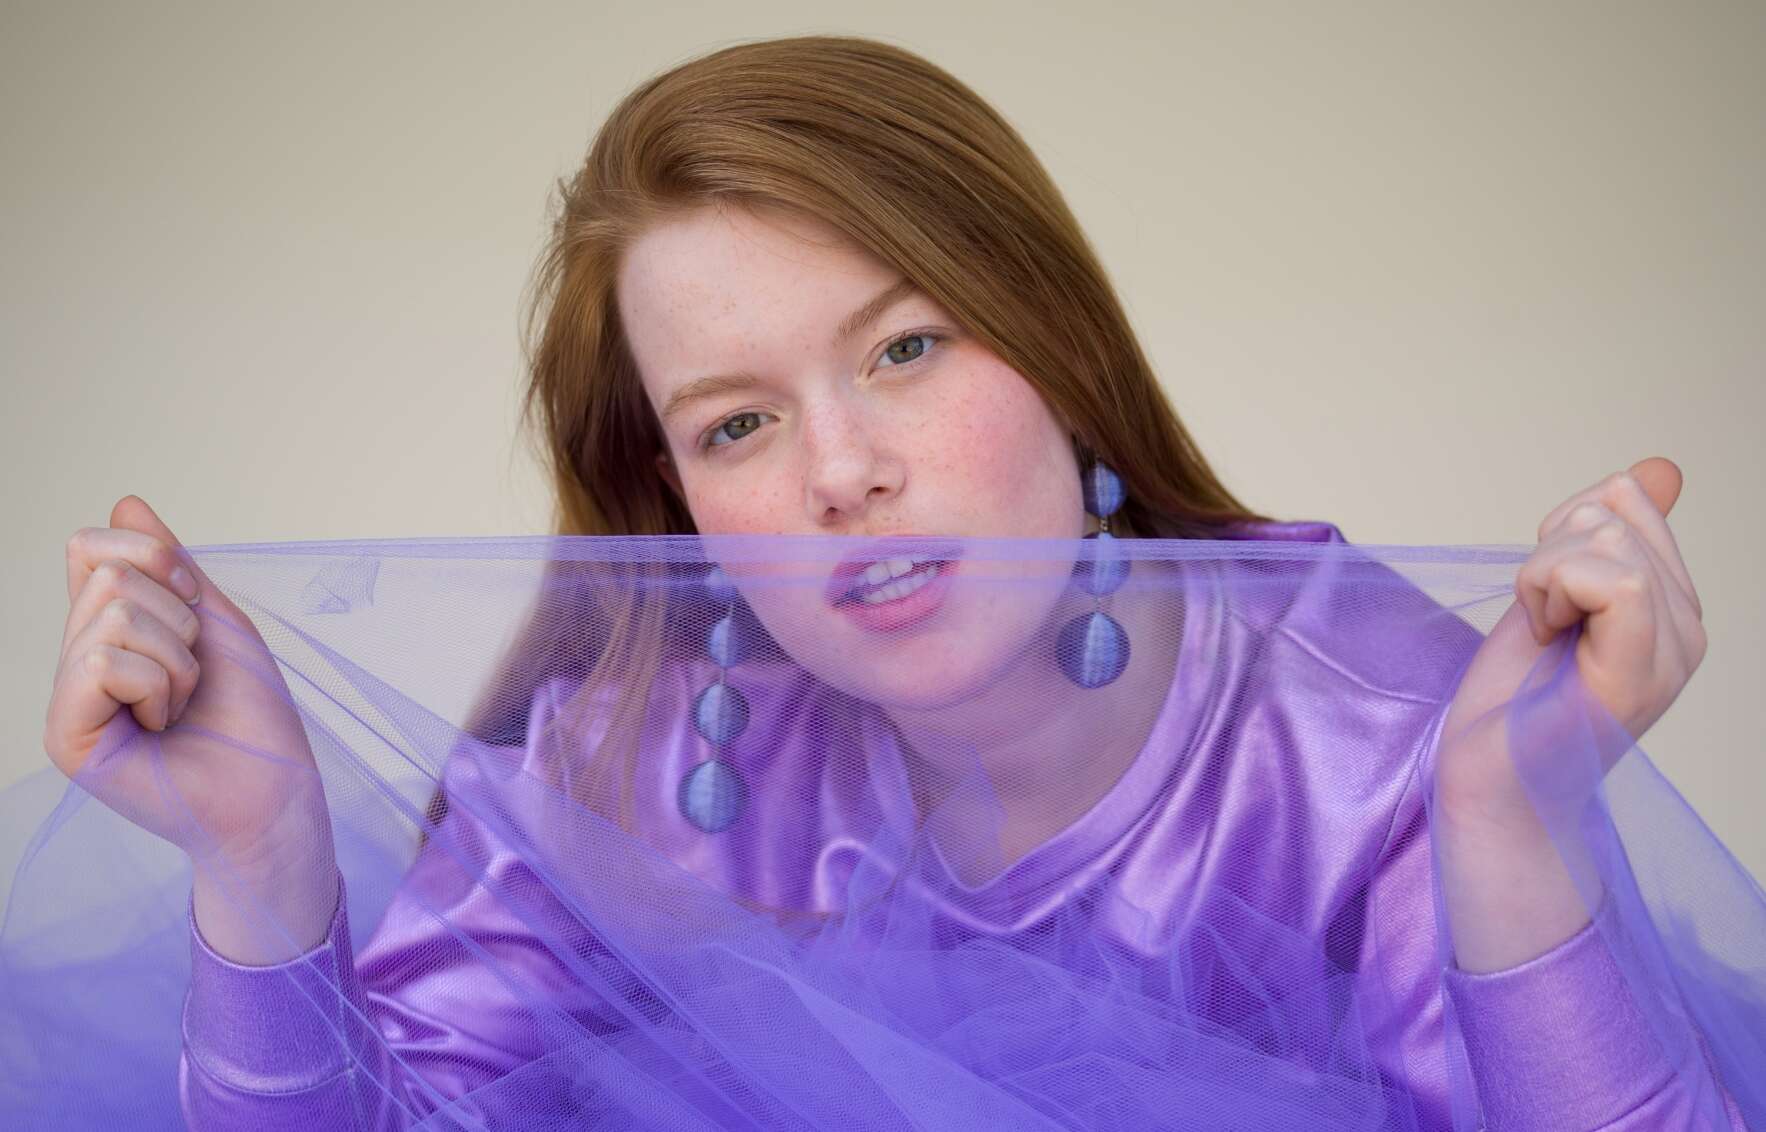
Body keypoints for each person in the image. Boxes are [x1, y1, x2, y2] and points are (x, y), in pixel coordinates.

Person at [35, 34, 1755, 1131]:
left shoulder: (1373, 741)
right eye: (736, 424)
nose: (840, 472)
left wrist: (1506, 830)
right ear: (679, 503)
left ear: (1058, 345)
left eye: (905, 347)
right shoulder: (644, 755)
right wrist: (258, 863)